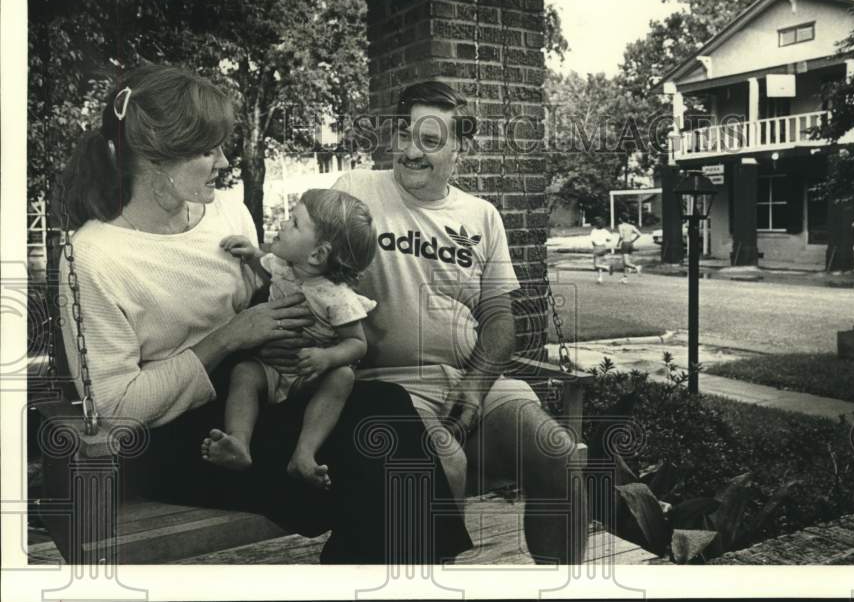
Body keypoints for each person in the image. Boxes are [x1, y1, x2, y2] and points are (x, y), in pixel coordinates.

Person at [57, 64, 471, 564]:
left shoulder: (228, 213)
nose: (225, 161)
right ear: (155, 159)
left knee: (383, 410)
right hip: (180, 439)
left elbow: (263, 301)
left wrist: (284, 332)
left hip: (252, 396)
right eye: (209, 150)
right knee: (374, 471)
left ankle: (385, 571)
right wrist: (230, 339)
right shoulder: (94, 256)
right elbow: (116, 414)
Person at [329, 80, 588, 564]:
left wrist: (474, 385)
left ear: (458, 150)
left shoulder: (482, 216)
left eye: (429, 141)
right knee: (438, 465)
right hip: (390, 385)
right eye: (404, 134)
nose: (410, 151)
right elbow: (308, 261)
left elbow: (499, 321)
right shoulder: (355, 190)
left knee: (559, 453)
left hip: (475, 383)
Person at [203, 189, 378, 491]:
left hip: (310, 377)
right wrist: (251, 254)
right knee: (244, 372)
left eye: (295, 222)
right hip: (271, 367)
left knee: (343, 376)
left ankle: (304, 454)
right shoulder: (283, 266)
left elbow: (357, 344)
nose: (283, 223)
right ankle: (239, 443)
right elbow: (265, 265)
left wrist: (327, 358)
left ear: (317, 254)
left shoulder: (337, 297)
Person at [615, 213, 642, 284]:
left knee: (626, 262)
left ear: (621, 219)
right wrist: (633, 240)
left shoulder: (620, 226)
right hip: (630, 243)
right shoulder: (631, 226)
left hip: (625, 243)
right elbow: (639, 234)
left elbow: (621, 236)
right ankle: (625, 278)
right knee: (625, 262)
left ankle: (636, 267)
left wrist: (618, 243)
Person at [589, 216, 614, 284]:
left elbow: (593, 241)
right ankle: (600, 278)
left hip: (597, 247)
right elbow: (610, 239)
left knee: (596, 265)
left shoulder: (593, 231)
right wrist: (606, 240)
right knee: (600, 263)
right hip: (603, 247)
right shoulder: (604, 231)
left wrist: (595, 246)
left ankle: (607, 267)